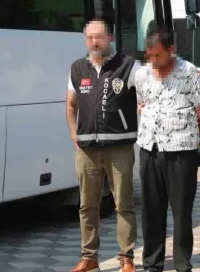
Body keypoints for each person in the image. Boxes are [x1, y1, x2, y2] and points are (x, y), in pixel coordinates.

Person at [133, 28, 200, 272]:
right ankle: (152, 264)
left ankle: (182, 264)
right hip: (149, 148)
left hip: (181, 151)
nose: (154, 61)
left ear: (171, 50)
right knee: (151, 210)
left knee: (181, 211)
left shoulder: (189, 73)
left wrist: (191, 134)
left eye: (158, 55)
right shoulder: (142, 74)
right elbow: (142, 104)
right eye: (150, 56)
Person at [66, 19, 138, 272]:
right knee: (87, 206)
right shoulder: (78, 68)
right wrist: (74, 133)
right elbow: (71, 105)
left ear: (110, 38)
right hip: (87, 149)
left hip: (119, 147)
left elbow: (147, 96)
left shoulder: (128, 65)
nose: (94, 42)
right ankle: (89, 258)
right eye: (89, 38)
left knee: (124, 205)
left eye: (98, 37)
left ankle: (126, 258)